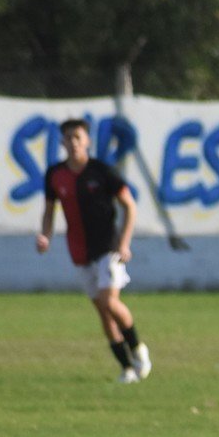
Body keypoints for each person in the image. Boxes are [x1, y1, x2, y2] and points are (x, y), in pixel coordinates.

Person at [36, 119, 150, 383]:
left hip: (108, 247)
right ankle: (127, 369)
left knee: (110, 301)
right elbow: (49, 210)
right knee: (102, 310)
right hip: (79, 250)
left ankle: (137, 347)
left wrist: (124, 242)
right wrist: (45, 235)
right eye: (68, 138)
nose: (73, 142)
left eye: (78, 137)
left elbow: (129, 206)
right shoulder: (55, 175)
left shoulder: (102, 172)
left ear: (87, 141)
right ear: (62, 142)